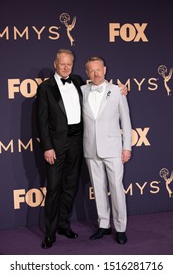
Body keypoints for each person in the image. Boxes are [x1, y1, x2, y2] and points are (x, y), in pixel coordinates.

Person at [36, 49, 128, 249]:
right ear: (55, 64)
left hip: (79, 142)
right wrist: (47, 147)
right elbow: (41, 122)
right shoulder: (46, 88)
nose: (66, 67)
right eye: (62, 64)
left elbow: (110, 98)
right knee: (53, 189)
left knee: (70, 188)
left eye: (69, 64)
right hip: (58, 145)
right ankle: (50, 233)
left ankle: (64, 225)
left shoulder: (79, 82)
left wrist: (122, 90)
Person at [81, 56, 132, 244]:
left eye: (98, 69)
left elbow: (125, 121)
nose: (95, 74)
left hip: (113, 149)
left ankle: (120, 228)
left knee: (117, 189)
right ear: (87, 73)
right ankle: (103, 224)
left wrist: (127, 147)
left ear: (105, 69)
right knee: (98, 189)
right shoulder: (82, 91)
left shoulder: (117, 91)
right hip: (90, 148)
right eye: (91, 71)